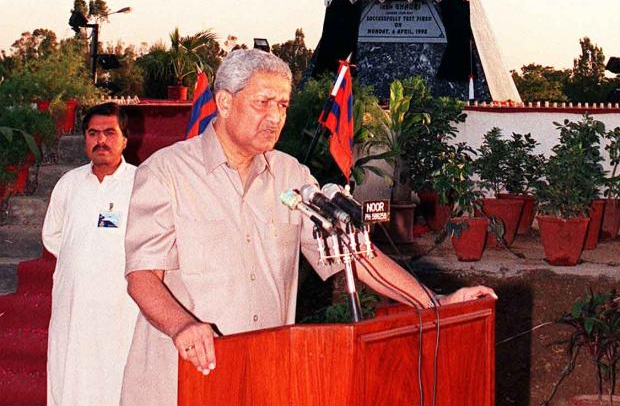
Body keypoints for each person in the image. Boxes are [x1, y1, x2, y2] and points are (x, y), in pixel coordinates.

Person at [121, 50, 494, 405]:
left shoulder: (292, 176)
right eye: (262, 103)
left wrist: (434, 304)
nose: (275, 117)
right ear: (224, 103)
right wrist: (182, 326)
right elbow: (142, 277)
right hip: (183, 377)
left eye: (282, 105)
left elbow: (356, 255)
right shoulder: (166, 173)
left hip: (267, 375)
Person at [42, 101, 138, 406]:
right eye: (93, 133)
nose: (101, 140)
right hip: (73, 306)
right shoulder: (69, 184)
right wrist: (83, 261)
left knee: (115, 379)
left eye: (110, 133)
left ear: (125, 138)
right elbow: (53, 236)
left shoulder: (141, 182)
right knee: (68, 375)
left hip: (120, 309)